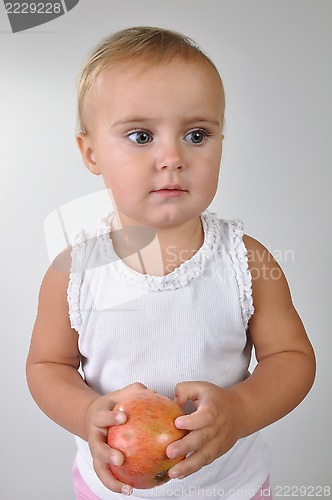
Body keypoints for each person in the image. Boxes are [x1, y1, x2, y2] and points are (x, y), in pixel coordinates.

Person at [26, 26, 316, 500]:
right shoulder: (74, 271)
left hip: (232, 489)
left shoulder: (247, 261)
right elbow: (46, 365)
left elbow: (292, 359)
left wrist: (240, 410)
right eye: (141, 136)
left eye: (196, 134)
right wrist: (85, 416)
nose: (172, 157)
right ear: (91, 152)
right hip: (112, 488)